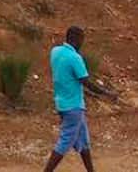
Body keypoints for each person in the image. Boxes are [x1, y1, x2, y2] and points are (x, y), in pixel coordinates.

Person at [43, 25, 118, 172]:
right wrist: (107, 93)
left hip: (61, 102)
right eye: (82, 39)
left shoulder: (55, 51)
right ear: (77, 39)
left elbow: (70, 79)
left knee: (83, 141)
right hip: (73, 106)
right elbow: (86, 82)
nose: (82, 43)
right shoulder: (75, 58)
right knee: (64, 141)